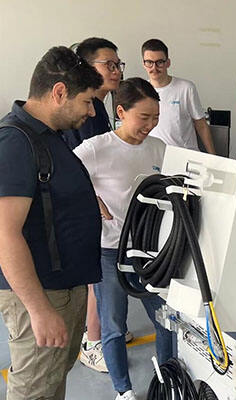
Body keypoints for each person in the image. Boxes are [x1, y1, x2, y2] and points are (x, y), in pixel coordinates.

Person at [0, 46, 103, 400]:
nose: (91, 112)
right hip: (42, 295)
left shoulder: (46, 136)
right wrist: (39, 310)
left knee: (50, 382)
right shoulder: (16, 141)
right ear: (59, 92)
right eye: (88, 102)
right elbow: (4, 234)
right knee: (34, 392)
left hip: (62, 289)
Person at [73, 77, 170, 400]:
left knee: (166, 317)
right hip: (109, 251)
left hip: (149, 252)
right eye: (144, 117)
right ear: (121, 111)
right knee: (113, 323)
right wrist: (93, 201)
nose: (150, 125)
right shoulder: (97, 148)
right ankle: (123, 390)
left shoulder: (158, 148)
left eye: (155, 117)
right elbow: (66, 179)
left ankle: (169, 376)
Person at [64, 36, 131, 374]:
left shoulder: (100, 106)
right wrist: (92, 197)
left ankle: (104, 330)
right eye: (109, 64)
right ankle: (93, 342)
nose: (116, 70)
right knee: (97, 277)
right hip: (88, 206)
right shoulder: (86, 108)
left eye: (119, 64)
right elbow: (76, 161)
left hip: (101, 204)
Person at [141, 38, 216, 153]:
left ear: (168, 63)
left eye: (159, 62)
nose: (154, 68)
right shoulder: (141, 90)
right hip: (154, 156)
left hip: (184, 157)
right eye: (149, 63)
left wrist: (213, 157)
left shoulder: (186, 88)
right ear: (144, 64)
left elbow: (201, 125)